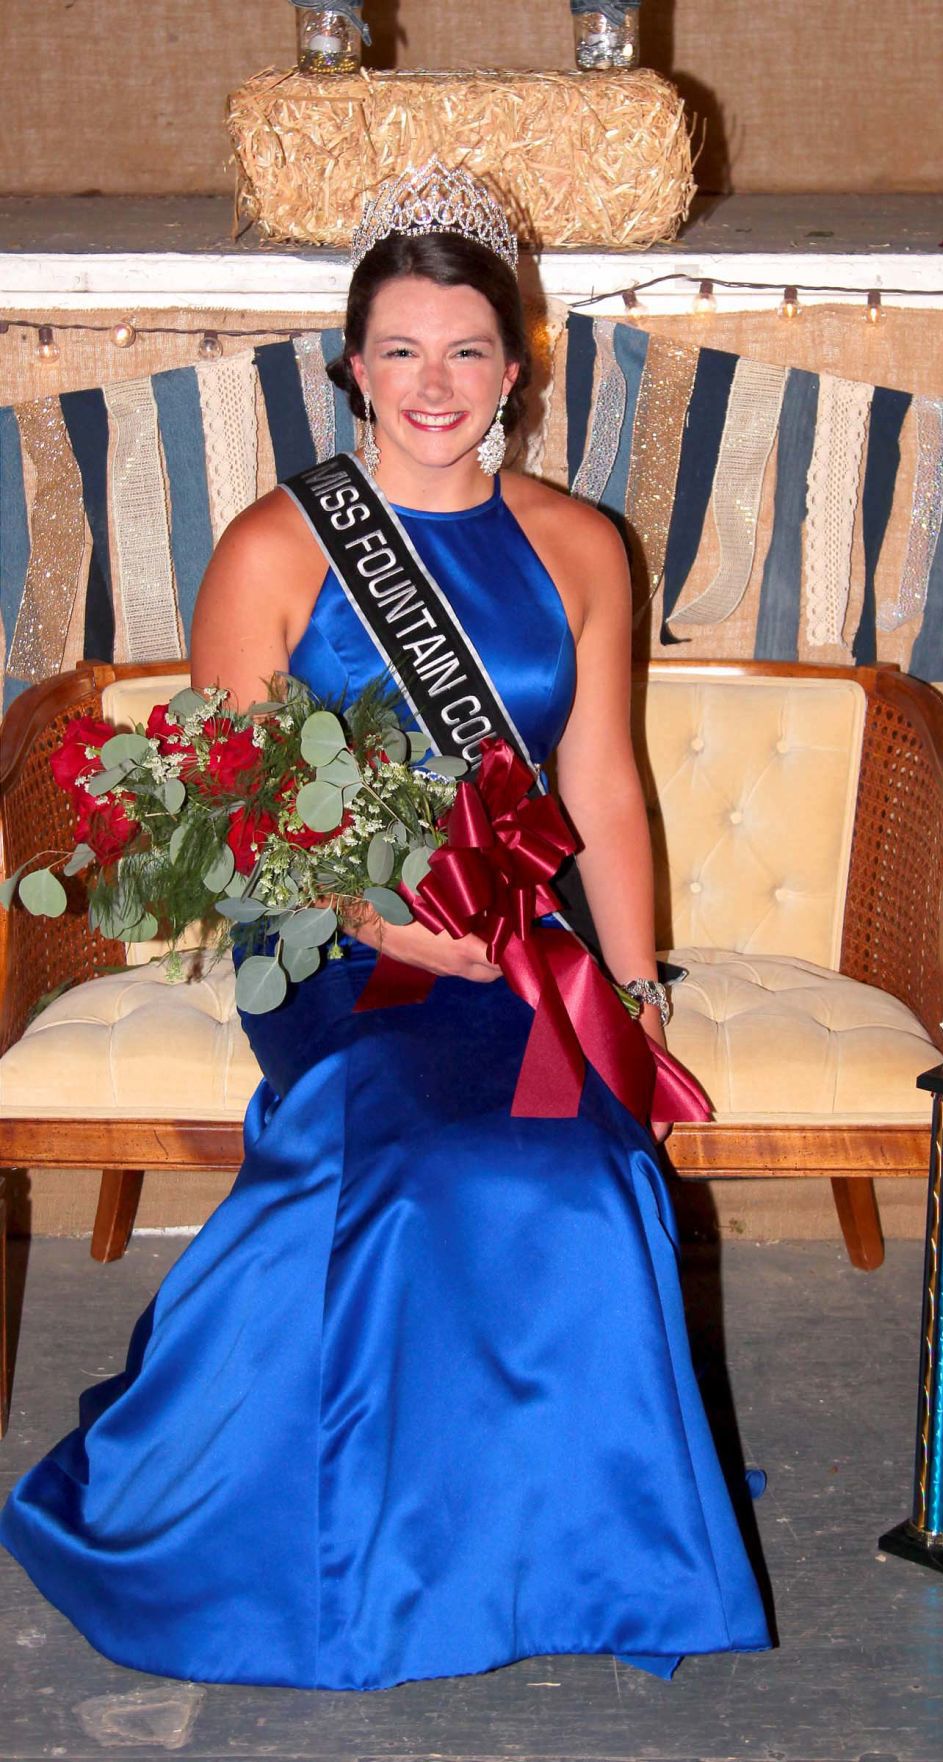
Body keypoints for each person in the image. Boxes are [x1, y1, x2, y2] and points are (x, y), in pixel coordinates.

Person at [0, 161, 770, 1690]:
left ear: (519, 366)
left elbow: (602, 785)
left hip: (521, 944)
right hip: (332, 956)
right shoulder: (278, 546)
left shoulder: (580, 544)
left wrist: (630, 978)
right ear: (351, 365)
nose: (436, 383)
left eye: (469, 349)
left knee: (584, 1158)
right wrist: (398, 931)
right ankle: (368, 1541)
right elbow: (225, 828)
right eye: (402, 350)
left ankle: (569, 1534)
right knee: (424, 1162)